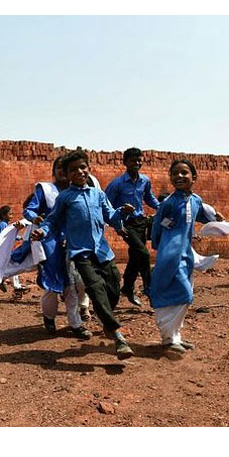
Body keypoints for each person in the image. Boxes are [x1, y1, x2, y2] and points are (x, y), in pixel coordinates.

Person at [32, 150, 136, 359]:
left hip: (103, 251)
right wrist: (42, 230)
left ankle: (105, 318)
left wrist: (123, 212)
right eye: (73, 170)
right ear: (67, 174)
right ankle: (117, 335)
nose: (79, 172)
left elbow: (111, 217)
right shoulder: (65, 198)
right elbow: (52, 220)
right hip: (81, 253)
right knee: (95, 288)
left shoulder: (98, 194)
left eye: (82, 167)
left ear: (89, 169)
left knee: (114, 286)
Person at [149, 159, 216, 356]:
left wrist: (216, 218)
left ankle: (175, 336)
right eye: (175, 173)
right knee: (183, 294)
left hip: (186, 254)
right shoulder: (169, 203)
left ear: (194, 177)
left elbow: (200, 214)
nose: (179, 176)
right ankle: (168, 338)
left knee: (184, 293)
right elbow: (157, 228)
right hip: (170, 254)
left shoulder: (195, 200)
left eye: (184, 173)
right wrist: (162, 248)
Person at [23, 156, 91, 339]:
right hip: (49, 241)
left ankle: (76, 324)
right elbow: (30, 209)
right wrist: (35, 218)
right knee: (52, 284)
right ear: (54, 171)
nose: (61, 171)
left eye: (65, 167)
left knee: (73, 283)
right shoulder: (45, 190)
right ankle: (49, 317)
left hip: (72, 241)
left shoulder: (77, 192)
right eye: (58, 167)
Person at [105, 147, 160, 307]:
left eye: (138, 160)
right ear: (125, 163)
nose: (136, 163)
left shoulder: (145, 181)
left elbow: (149, 198)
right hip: (126, 224)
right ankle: (150, 290)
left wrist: (162, 207)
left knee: (136, 256)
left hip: (141, 222)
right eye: (132, 161)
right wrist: (117, 225)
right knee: (143, 254)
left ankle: (128, 288)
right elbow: (106, 206)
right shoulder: (117, 184)